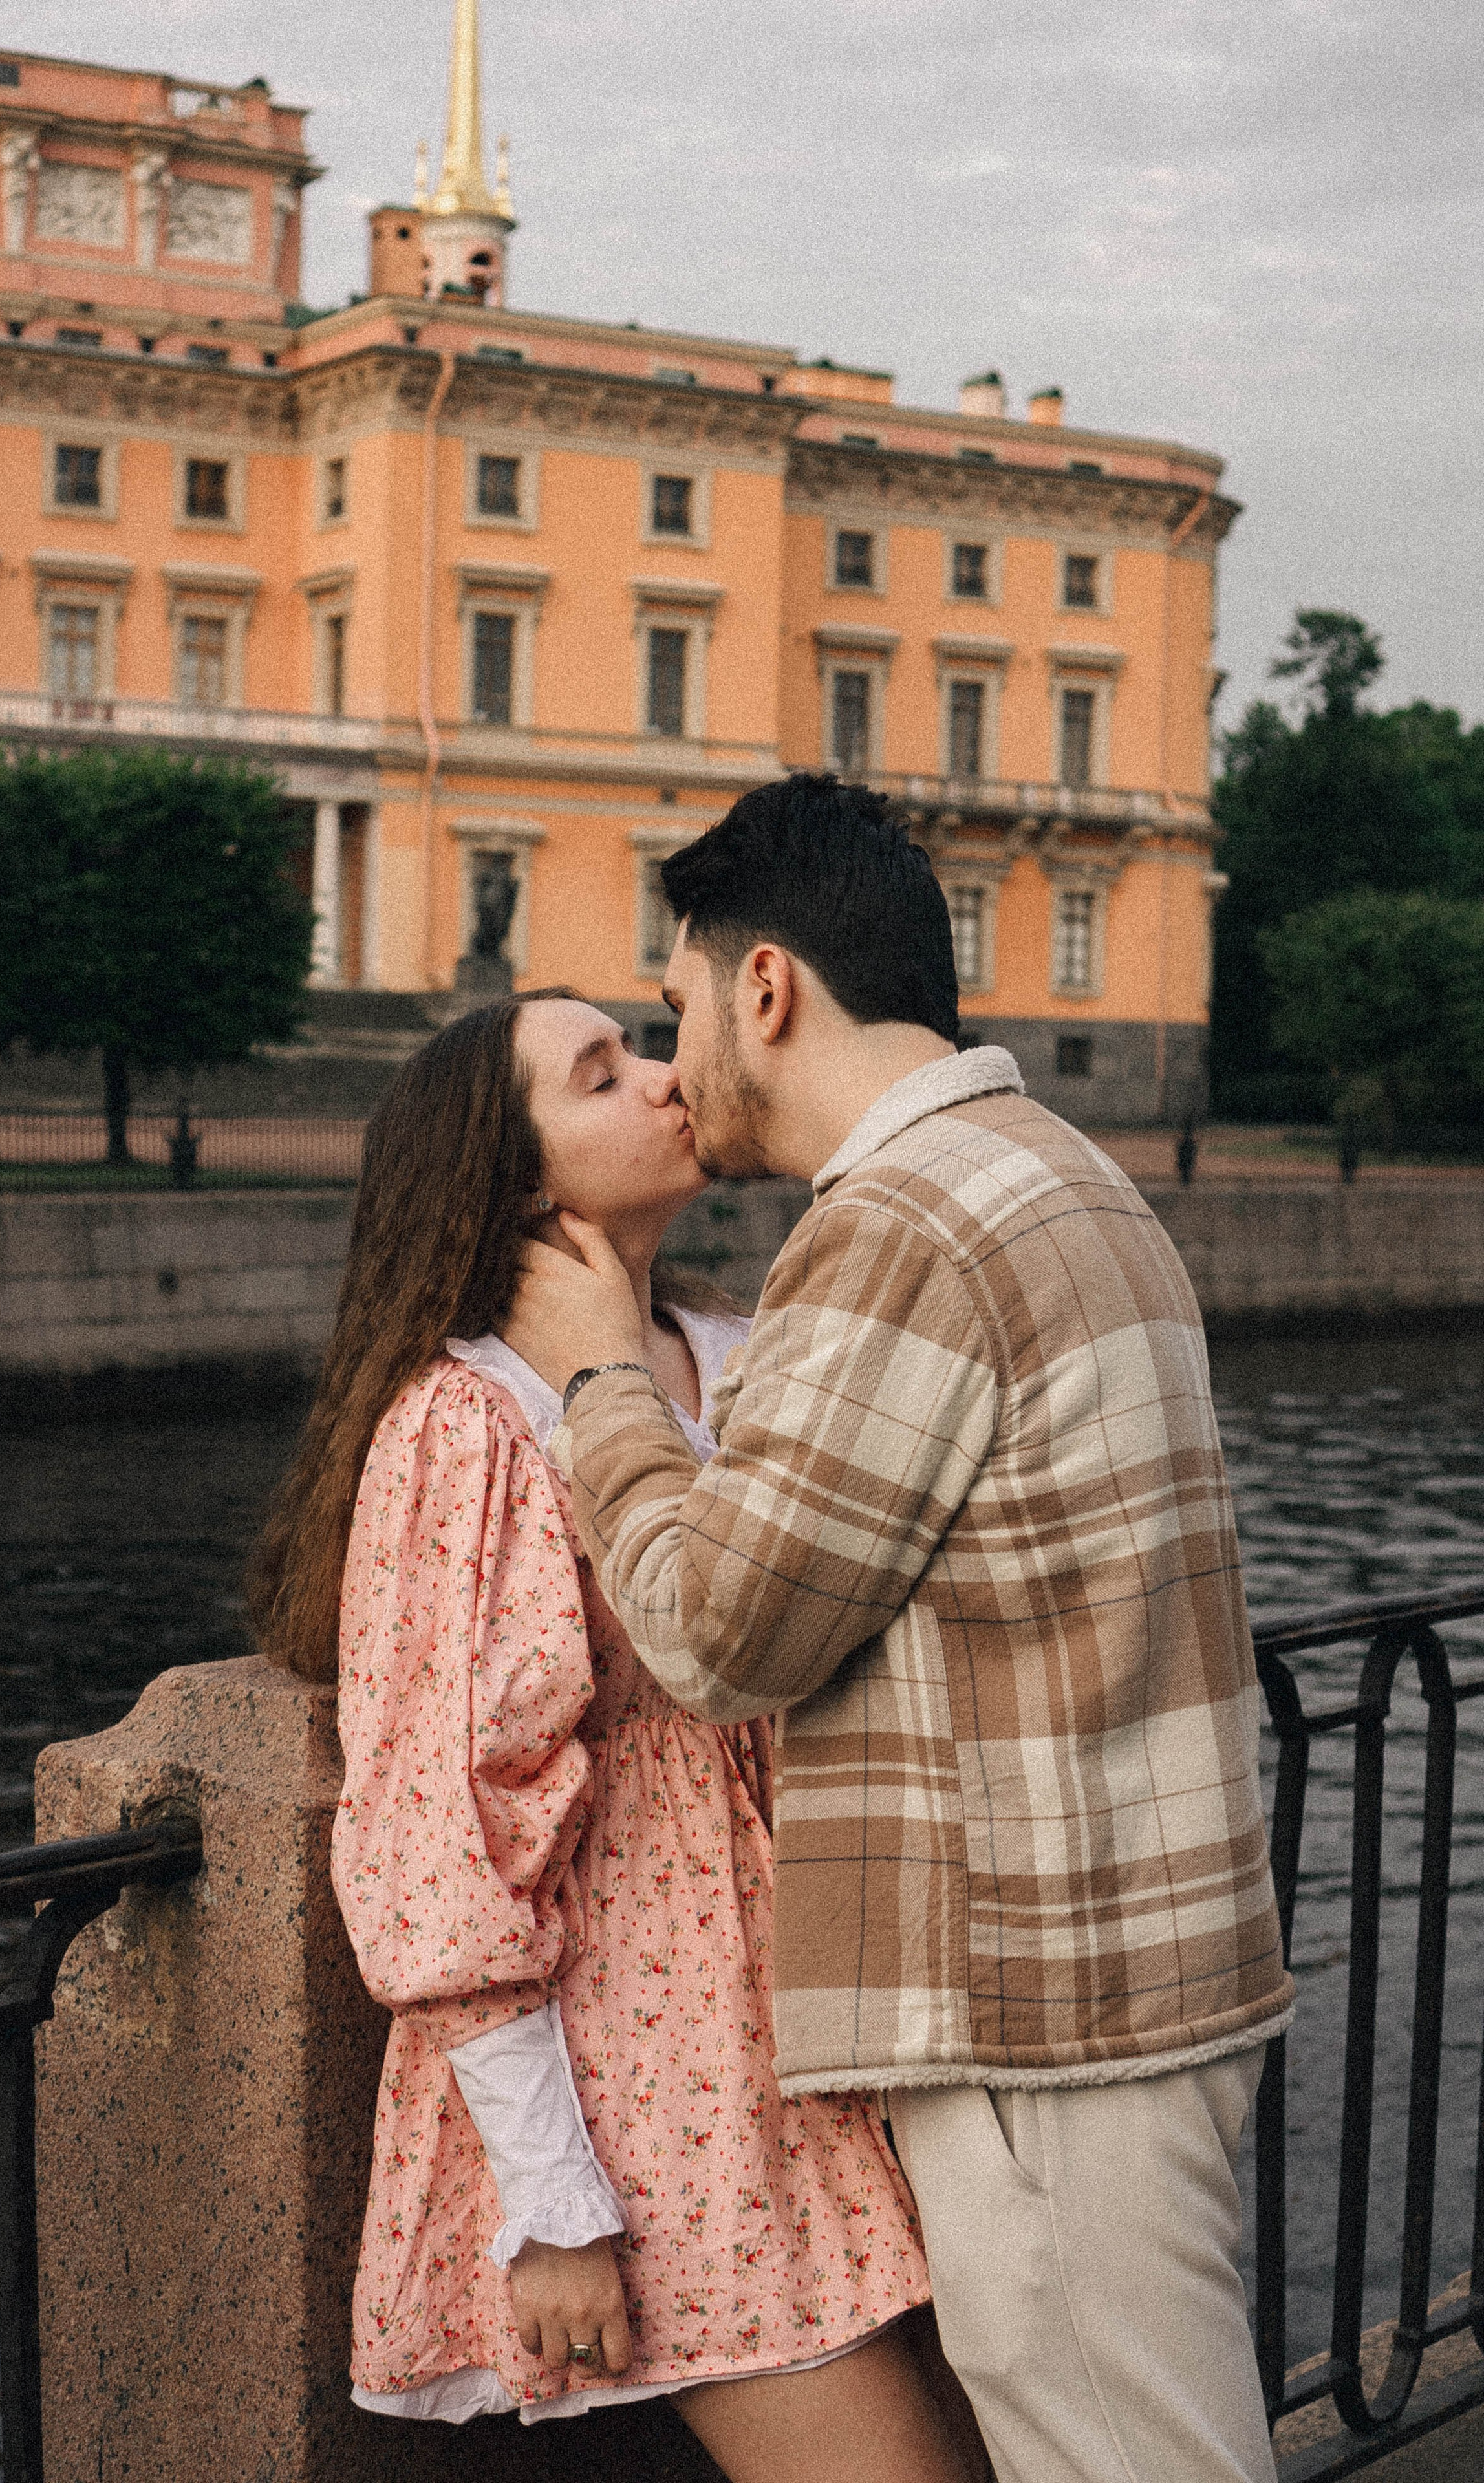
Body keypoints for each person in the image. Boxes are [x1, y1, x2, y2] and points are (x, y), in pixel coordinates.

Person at [502, 775, 1296, 2483]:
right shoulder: (1059, 1173)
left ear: (765, 987)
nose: (675, 1048)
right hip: (1135, 1978)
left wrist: (600, 1381)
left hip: (1047, 2018)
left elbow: (718, 1633)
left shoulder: (899, 1224)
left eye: (678, 1001)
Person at [248, 990, 987, 2483]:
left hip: (835, 2023)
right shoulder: (467, 1425)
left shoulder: (737, 1344)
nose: (666, 1080)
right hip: (645, 2069)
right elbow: (437, 1830)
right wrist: (552, 2201)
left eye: (645, 1045)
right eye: (604, 1075)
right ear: (519, 1180)